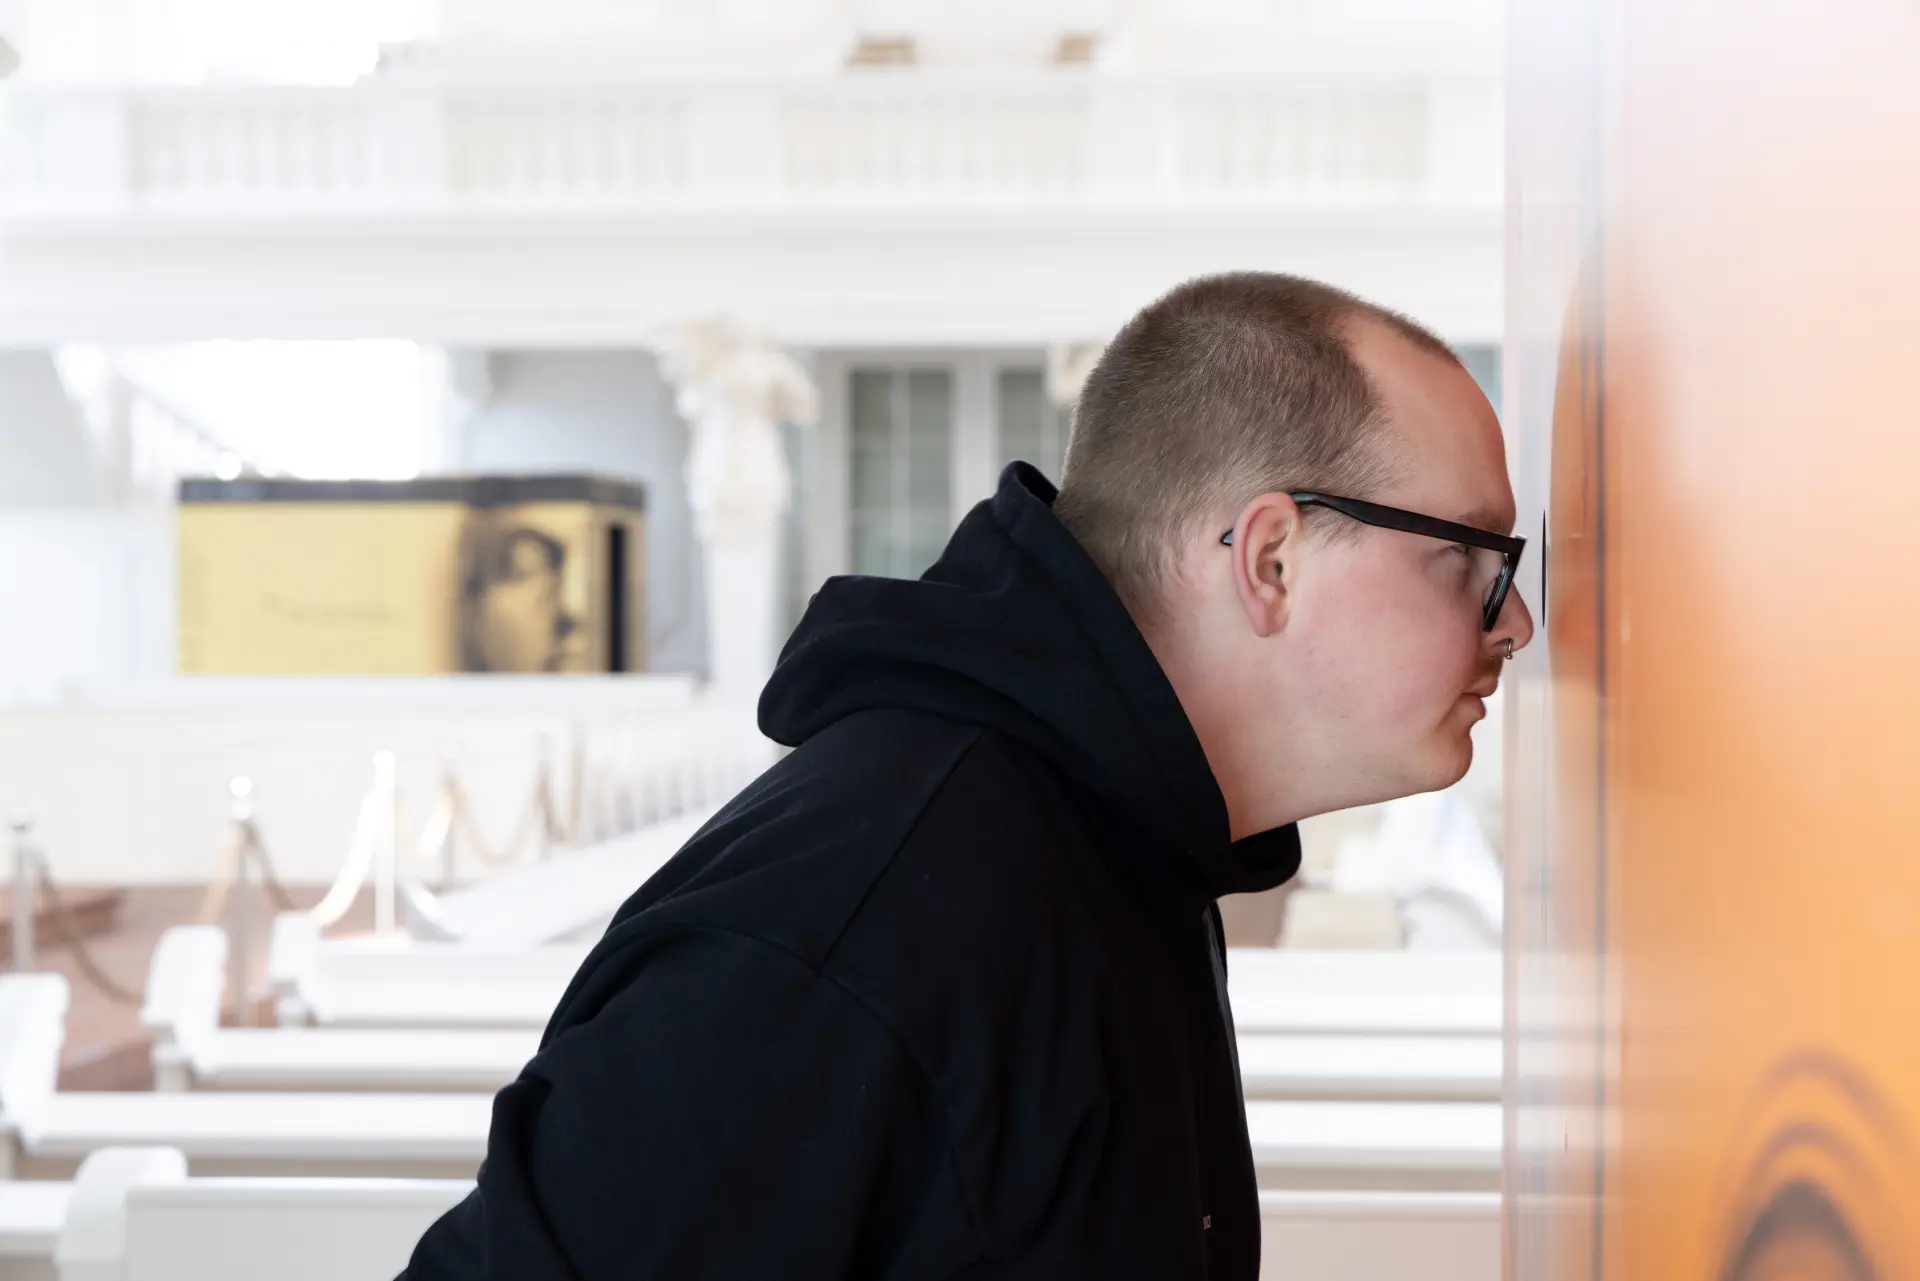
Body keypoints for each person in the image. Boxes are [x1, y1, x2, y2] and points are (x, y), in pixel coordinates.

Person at [399, 271, 1534, 1279]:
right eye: (1469, 561)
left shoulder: (1117, 849)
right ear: (1272, 558)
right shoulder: (873, 919)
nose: (1515, 622)